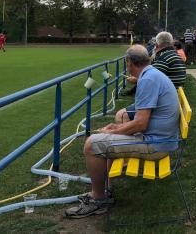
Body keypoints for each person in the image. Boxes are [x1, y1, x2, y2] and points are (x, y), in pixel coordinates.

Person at [65, 45, 180, 219]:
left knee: (91, 145)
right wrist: (117, 128)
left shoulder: (148, 79)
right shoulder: (151, 74)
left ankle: (99, 199)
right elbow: (141, 121)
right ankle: (106, 189)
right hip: (161, 139)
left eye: (126, 62)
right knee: (106, 138)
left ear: (130, 62)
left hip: (156, 144)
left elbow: (140, 124)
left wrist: (114, 132)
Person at [118, 31, 186, 116]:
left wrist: (135, 81)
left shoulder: (163, 58)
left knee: (121, 115)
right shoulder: (174, 55)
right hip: (174, 97)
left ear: (157, 45)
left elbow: (150, 79)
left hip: (165, 102)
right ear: (171, 43)